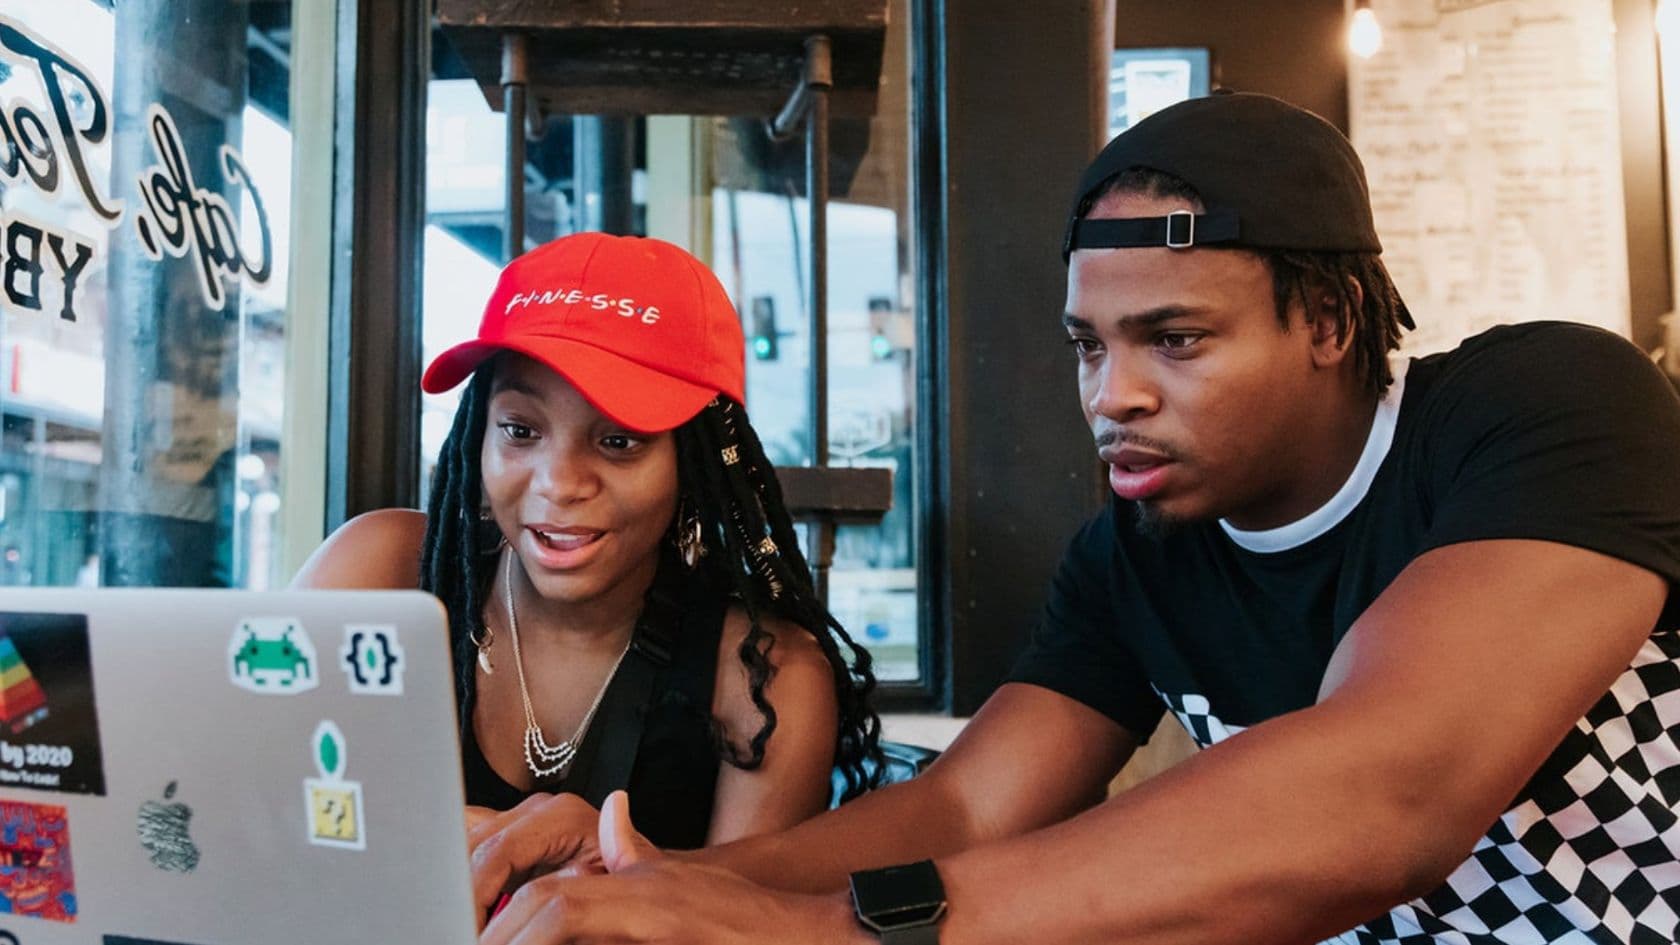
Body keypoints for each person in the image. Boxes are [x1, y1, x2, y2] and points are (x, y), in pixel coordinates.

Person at [468, 92, 1680, 945]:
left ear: (1329, 321)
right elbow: (966, 807)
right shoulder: (1134, 556)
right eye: (1088, 346)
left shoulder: (1543, 409)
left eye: (1176, 338)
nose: (1114, 394)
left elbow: (1386, 795)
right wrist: (668, 886)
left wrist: (833, 932)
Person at [292, 233, 883, 870]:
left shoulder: (763, 680)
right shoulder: (380, 575)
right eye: (520, 431)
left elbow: (735, 925)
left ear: (692, 461)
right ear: (479, 434)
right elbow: (248, 812)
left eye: (619, 441)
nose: (559, 483)